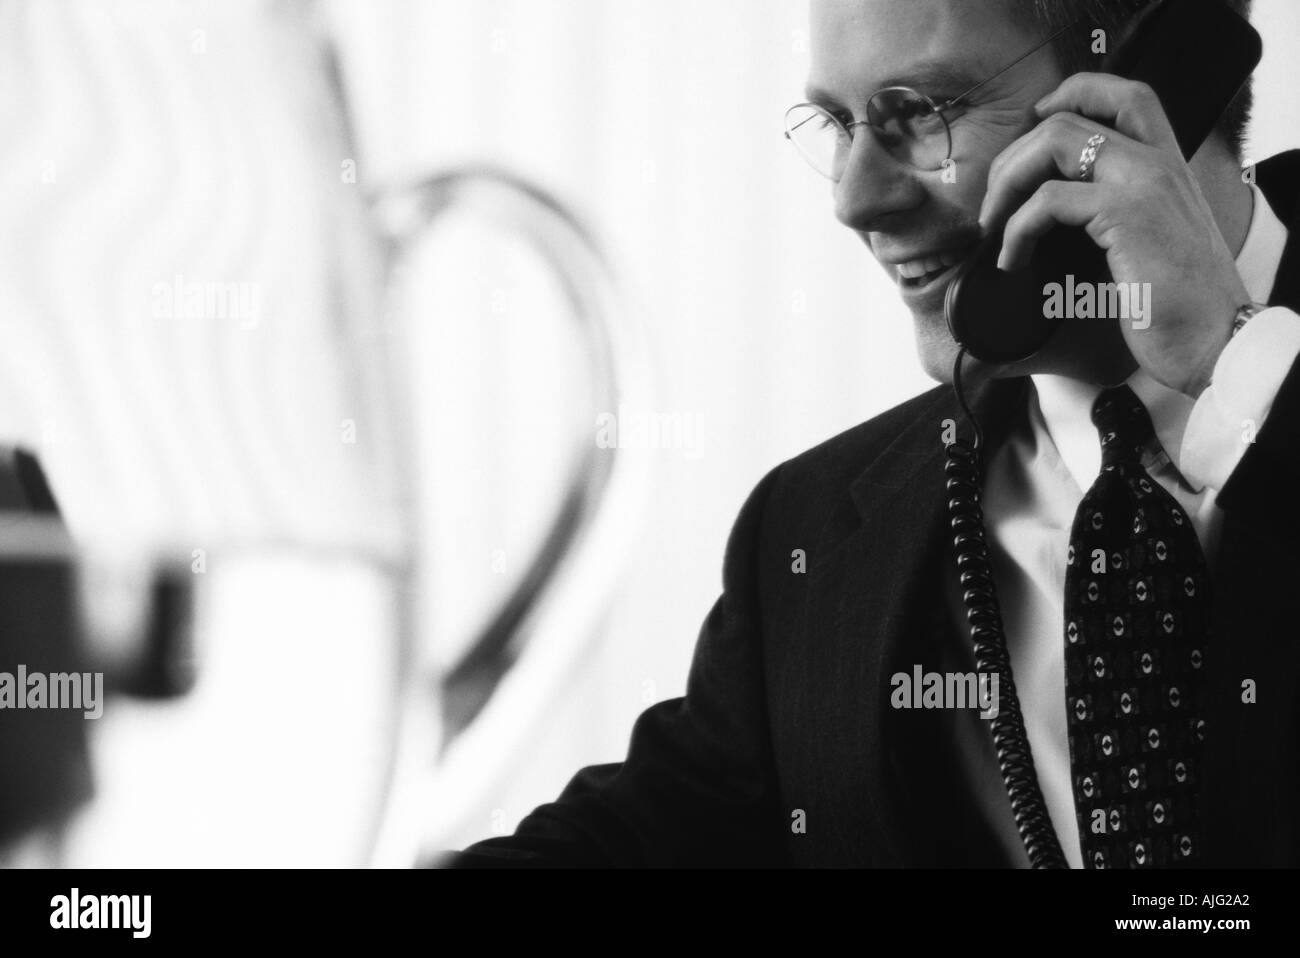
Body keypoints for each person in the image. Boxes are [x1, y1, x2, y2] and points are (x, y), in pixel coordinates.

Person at [449, 0, 1300, 867]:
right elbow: (633, 840)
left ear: (1160, 79)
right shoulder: (811, 538)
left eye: (924, 114)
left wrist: (1234, 358)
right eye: (837, 124)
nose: (855, 200)